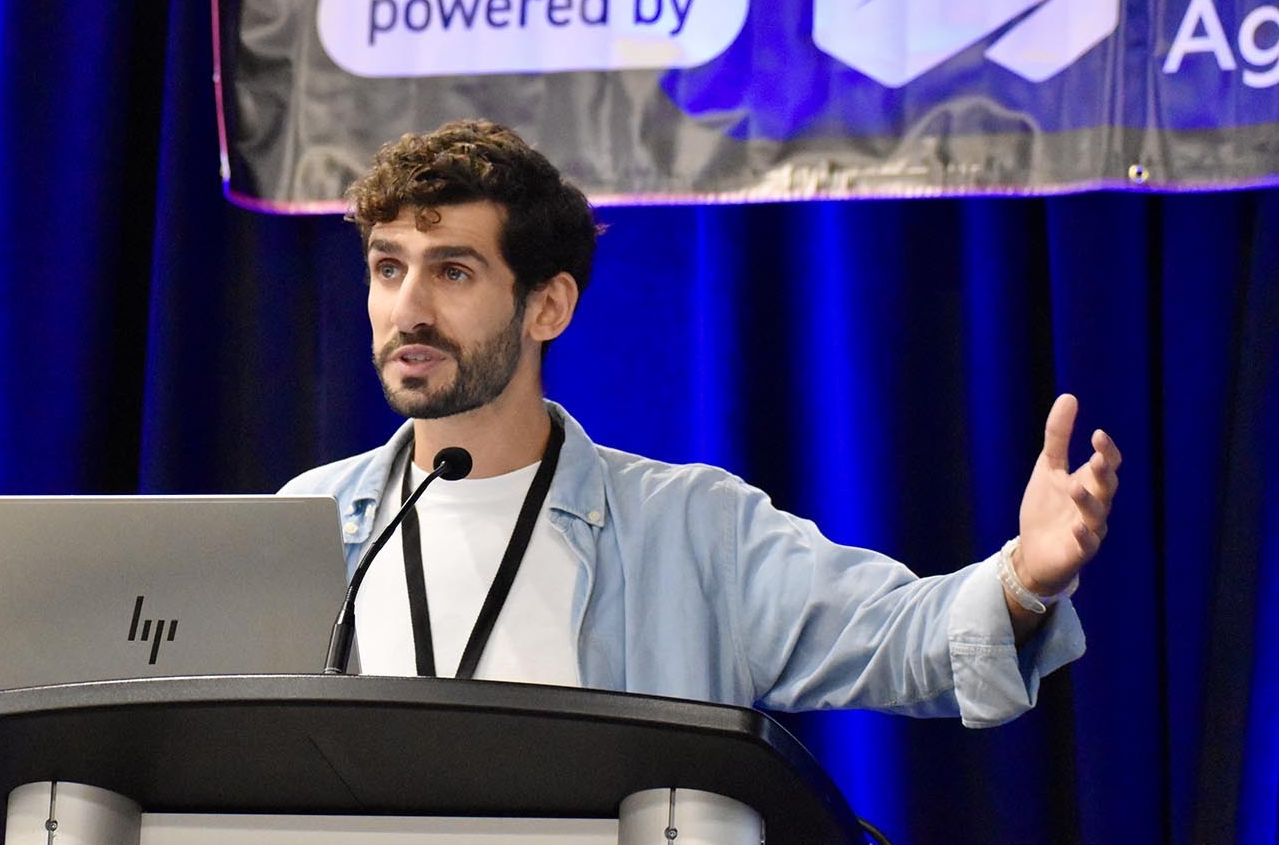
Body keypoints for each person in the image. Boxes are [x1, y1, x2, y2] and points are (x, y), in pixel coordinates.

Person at [280, 120, 1122, 727]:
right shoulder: (304, 519)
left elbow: (896, 637)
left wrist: (1024, 579)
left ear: (548, 305)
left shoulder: (690, 529)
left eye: (452, 271)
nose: (407, 309)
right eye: (387, 268)